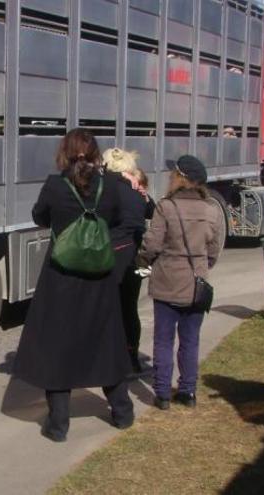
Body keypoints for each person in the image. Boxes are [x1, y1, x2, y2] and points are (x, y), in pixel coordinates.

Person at [13, 129, 134, 442]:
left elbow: (40, 216)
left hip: (61, 278)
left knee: (58, 349)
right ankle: (122, 412)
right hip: (100, 276)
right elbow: (119, 218)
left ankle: (59, 425)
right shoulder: (110, 187)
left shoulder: (55, 186)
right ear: (95, 153)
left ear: (64, 152)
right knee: (106, 344)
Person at [138, 155, 223, 410]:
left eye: (173, 173)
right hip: (196, 282)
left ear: (181, 178)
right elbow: (214, 249)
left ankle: (162, 394)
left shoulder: (166, 206)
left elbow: (152, 244)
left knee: (163, 340)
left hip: (167, 279)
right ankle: (188, 391)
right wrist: (202, 266)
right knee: (190, 339)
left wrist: (141, 260)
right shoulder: (211, 209)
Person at [102, 148, 155, 372]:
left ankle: (108, 359)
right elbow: (152, 211)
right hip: (135, 256)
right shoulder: (137, 191)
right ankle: (132, 357)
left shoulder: (107, 187)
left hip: (112, 254)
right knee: (129, 308)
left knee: (108, 309)